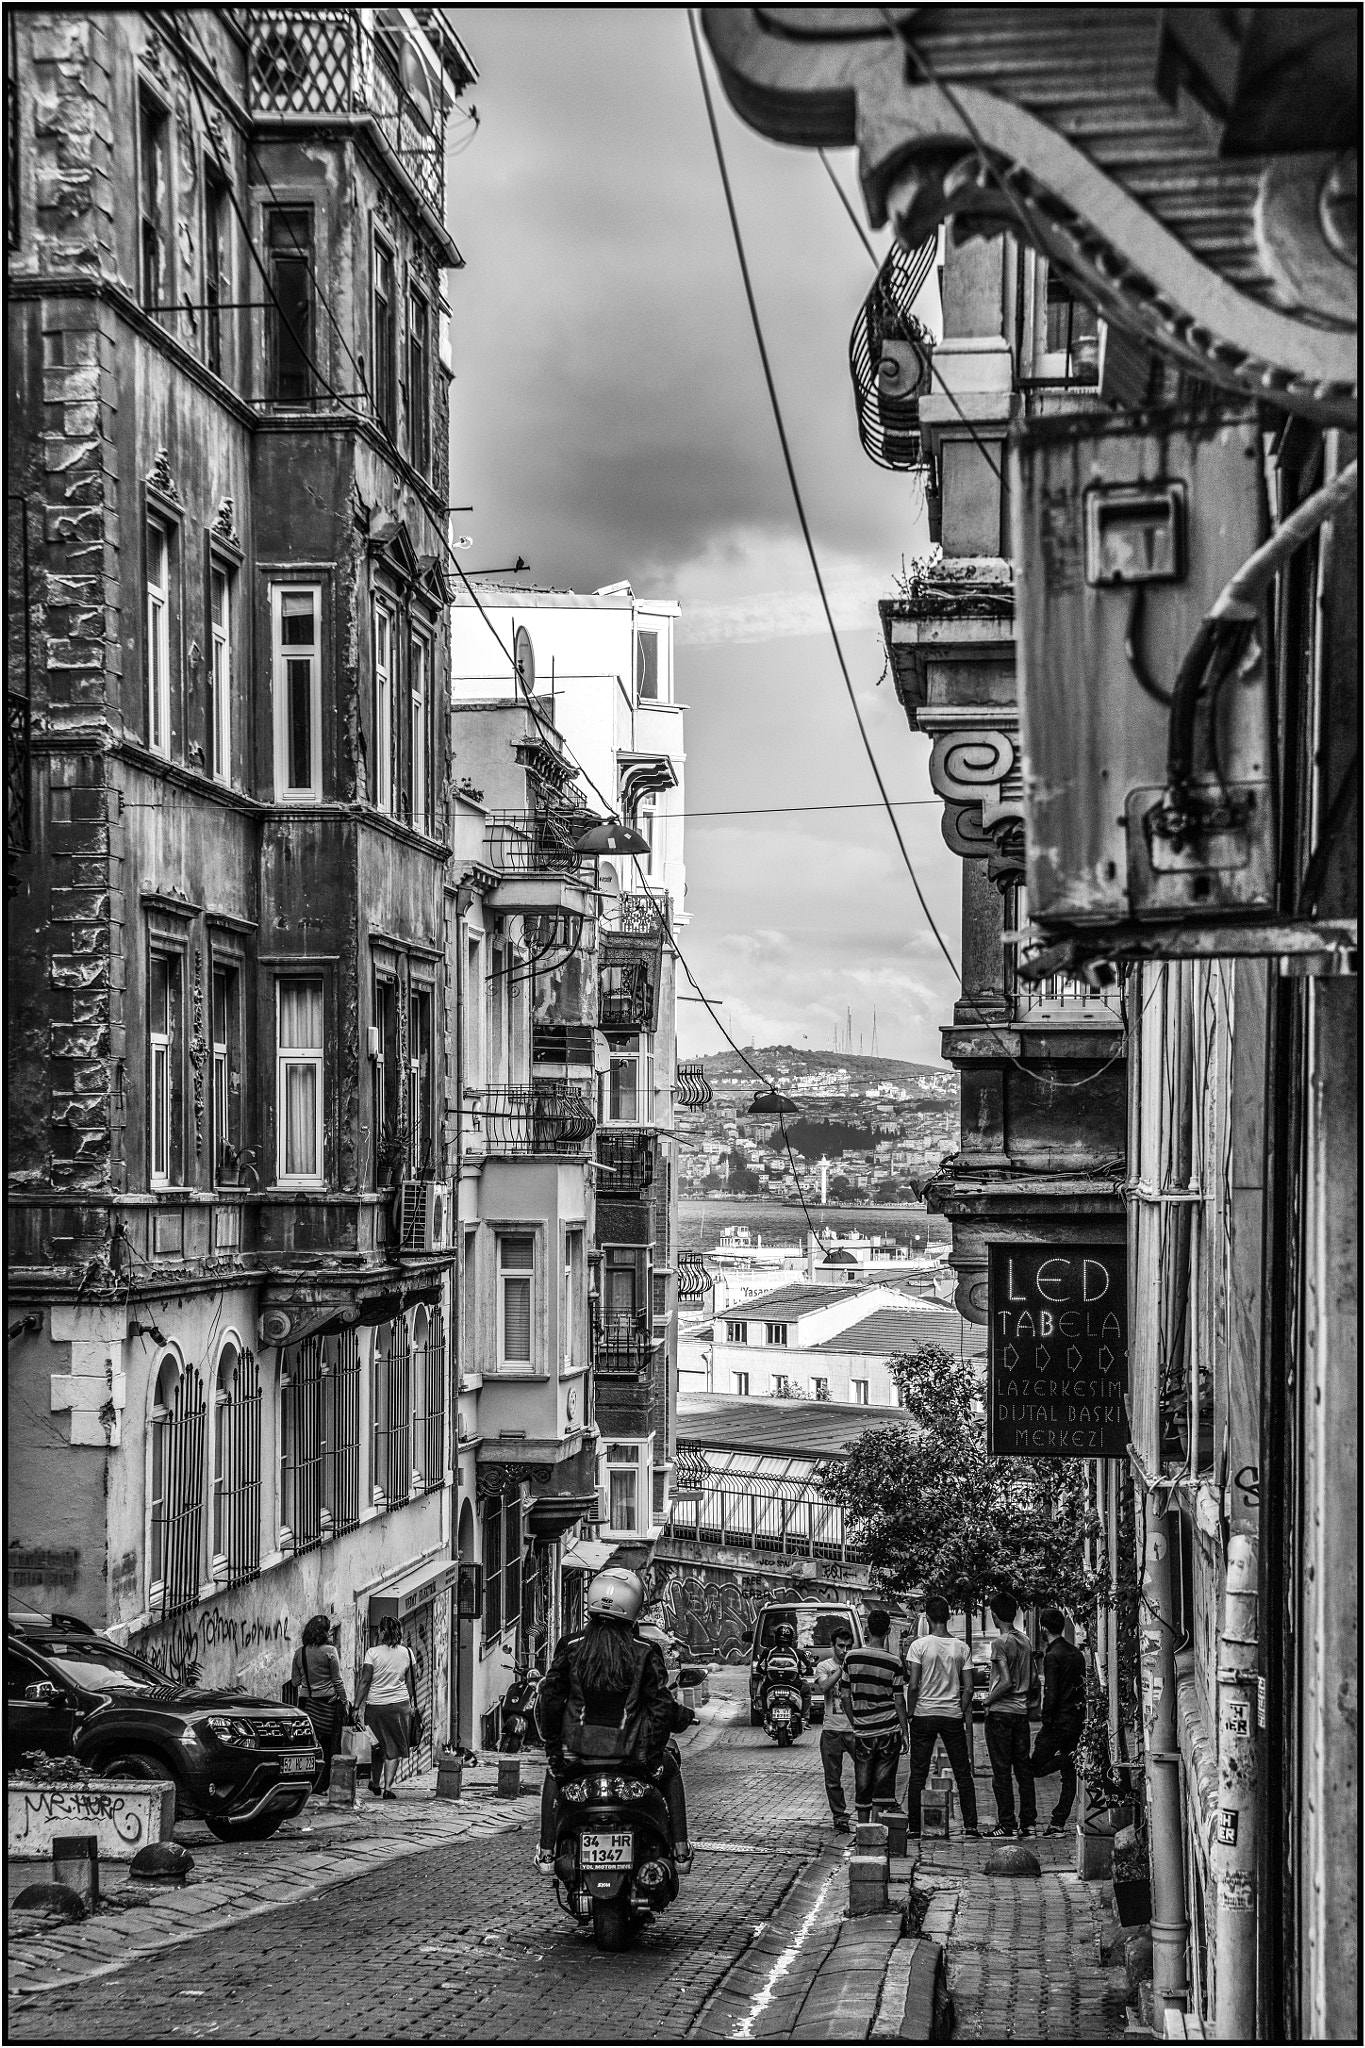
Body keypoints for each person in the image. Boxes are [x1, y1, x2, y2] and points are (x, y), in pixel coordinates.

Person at [535, 1568, 690, 1874]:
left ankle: (547, 1850)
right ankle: (681, 1849)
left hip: (578, 1756)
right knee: (671, 1771)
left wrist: (555, 1752)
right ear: (633, 1607)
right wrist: (652, 1755)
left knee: (554, 1776)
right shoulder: (645, 1651)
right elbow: (660, 1708)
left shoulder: (570, 1646)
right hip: (633, 1758)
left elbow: (549, 1702)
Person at [903, 1596, 979, 1839]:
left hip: (924, 1714)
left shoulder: (919, 1646)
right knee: (962, 1772)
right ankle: (971, 1825)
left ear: (927, 1617)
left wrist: (910, 1712)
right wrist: (959, 1708)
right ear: (948, 1617)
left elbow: (913, 1685)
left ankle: (914, 1827)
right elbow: (969, 1688)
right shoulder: (961, 1648)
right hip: (951, 1716)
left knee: (918, 1773)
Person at [841, 1607, 908, 1823]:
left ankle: (862, 1831)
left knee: (863, 1783)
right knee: (883, 1785)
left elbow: (844, 1697)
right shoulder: (895, 1663)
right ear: (888, 1631)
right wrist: (905, 1732)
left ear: (867, 1629)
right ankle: (877, 1832)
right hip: (889, 1731)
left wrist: (855, 1722)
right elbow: (899, 1700)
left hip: (863, 1731)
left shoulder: (851, 1658)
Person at [982, 1591, 1036, 1838]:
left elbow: (1005, 1681)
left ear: (994, 1615)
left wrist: (987, 1700)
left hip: (1001, 1714)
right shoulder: (1025, 1641)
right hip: (1021, 1714)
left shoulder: (1000, 1643)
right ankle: (1029, 1822)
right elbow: (1033, 1678)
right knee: (1023, 1768)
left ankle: (1006, 1823)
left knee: (1001, 1771)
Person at [1029, 1607, 1087, 1834]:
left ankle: (1066, 1760)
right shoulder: (1075, 1653)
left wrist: (1046, 1719)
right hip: (1075, 1720)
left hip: (1058, 1722)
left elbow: (1051, 1693)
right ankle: (1058, 1821)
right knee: (1069, 1779)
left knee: (1036, 1767)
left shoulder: (1052, 1656)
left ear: (1043, 1628)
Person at [354, 1615, 418, 1799]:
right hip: (399, 1706)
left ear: (382, 1631)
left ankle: (375, 1782)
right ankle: (388, 1787)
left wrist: (356, 1706)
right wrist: (406, 1702)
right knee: (394, 1747)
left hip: (375, 1706)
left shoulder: (372, 1653)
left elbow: (365, 1681)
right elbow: (411, 1684)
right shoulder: (407, 1653)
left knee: (377, 1746)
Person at [291, 1614, 349, 1791]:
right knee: (329, 1745)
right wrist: (344, 1700)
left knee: (309, 1744)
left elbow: (294, 1681)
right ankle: (324, 1785)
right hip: (328, 1704)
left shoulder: (299, 1653)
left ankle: (308, 1782)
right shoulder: (330, 1652)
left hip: (307, 1703)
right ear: (324, 1632)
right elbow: (337, 1680)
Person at [814, 1625, 856, 1834]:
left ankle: (867, 1812)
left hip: (854, 1729)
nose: (844, 1650)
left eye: (848, 1646)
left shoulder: (857, 1665)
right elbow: (823, 1687)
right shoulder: (824, 1666)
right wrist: (842, 1668)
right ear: (833, 1646)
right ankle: (840, 1816)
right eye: (840, 1646)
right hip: (832, 1729)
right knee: (832, 1778)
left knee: (866, 1772)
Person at [759, 1621, 813, 1717]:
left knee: (762, 1691)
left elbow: (760, 1668)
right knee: (806, 1690)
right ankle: (805, 1717)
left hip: (771, 1685)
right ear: (791, 1638)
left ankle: (765, 1714)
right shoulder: (798, 1653)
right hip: (794, 1685)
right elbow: (807, 1670)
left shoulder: (768, 1651)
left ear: (776, 1637)